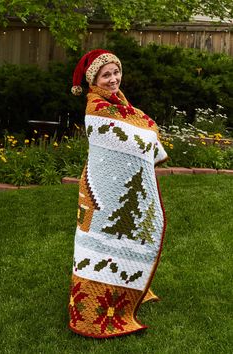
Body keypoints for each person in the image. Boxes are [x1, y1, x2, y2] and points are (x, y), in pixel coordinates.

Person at [69, 49, 168, 338]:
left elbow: (142, 129)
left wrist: (146, 131)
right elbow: (137, 136)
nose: (113, 79)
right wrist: (147, 132)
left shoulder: (120, 104)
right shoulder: (96, 109)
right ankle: (91, 312)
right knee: (99, 240)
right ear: (93, 80)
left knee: (125, 232)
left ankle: (124, 288)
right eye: (106, 75)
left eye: (116, 72)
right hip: (101, 190)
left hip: (118, 187)